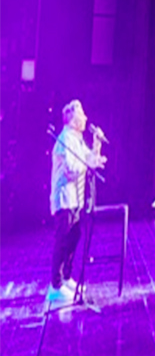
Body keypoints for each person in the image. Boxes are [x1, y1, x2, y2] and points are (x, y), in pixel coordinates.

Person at [49, 99, 107, 302]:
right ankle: (54, 284)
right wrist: (89, 163)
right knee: (62, 239)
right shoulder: (65, 139)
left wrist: (97, 143)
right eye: (82, 114)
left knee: (74, 237)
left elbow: (88, 159)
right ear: (72, 119)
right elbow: (73, 170)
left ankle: (66, 277)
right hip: (65, 199)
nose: (86, 118)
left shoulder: (78, 139)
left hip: (76, 199)